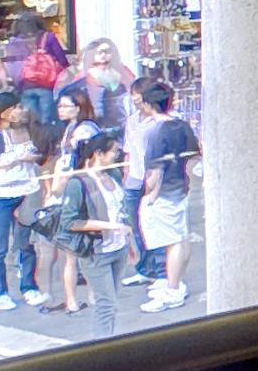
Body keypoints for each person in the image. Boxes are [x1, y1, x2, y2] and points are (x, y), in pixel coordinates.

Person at [28, 134, 122, 330]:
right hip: (86, 235)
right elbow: (58, 194)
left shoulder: (108, 173)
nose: (117, 155)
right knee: (73, 262)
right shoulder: (77, 173)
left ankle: (80, 298)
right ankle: (77, 299)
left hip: (110, 240)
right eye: (114, 151)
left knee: (75, 264)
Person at [131, 81, 198, 308]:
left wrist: (151, 195)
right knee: (181, 236)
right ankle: (175, 282)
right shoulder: (181, 125)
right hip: (181, 188)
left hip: (164, 193)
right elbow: (192, 157)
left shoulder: (155, 131)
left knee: (172, 242)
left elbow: (155, 170)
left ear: (149, 103)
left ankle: (172, 290)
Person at [0, 104, 42, 310]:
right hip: (1, 195)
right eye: (15, 107)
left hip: (27, 191)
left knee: (26, 243)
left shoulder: (31, 131)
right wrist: (17, 159)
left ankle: (29, 287)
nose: (21, 110)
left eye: (21, 107)